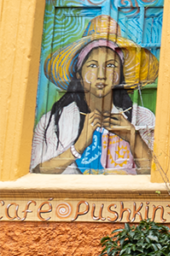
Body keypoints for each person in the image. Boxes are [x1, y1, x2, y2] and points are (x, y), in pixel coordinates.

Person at [31, 15, 158, 175]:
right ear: (78, 75)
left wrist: (133, 138)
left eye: (110, 65)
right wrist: (78, 146)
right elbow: (37, 173)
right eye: (92, 65)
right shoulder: (54, 121)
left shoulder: (143, 117)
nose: (101, 75)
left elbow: (155, 176)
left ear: (120, 75)